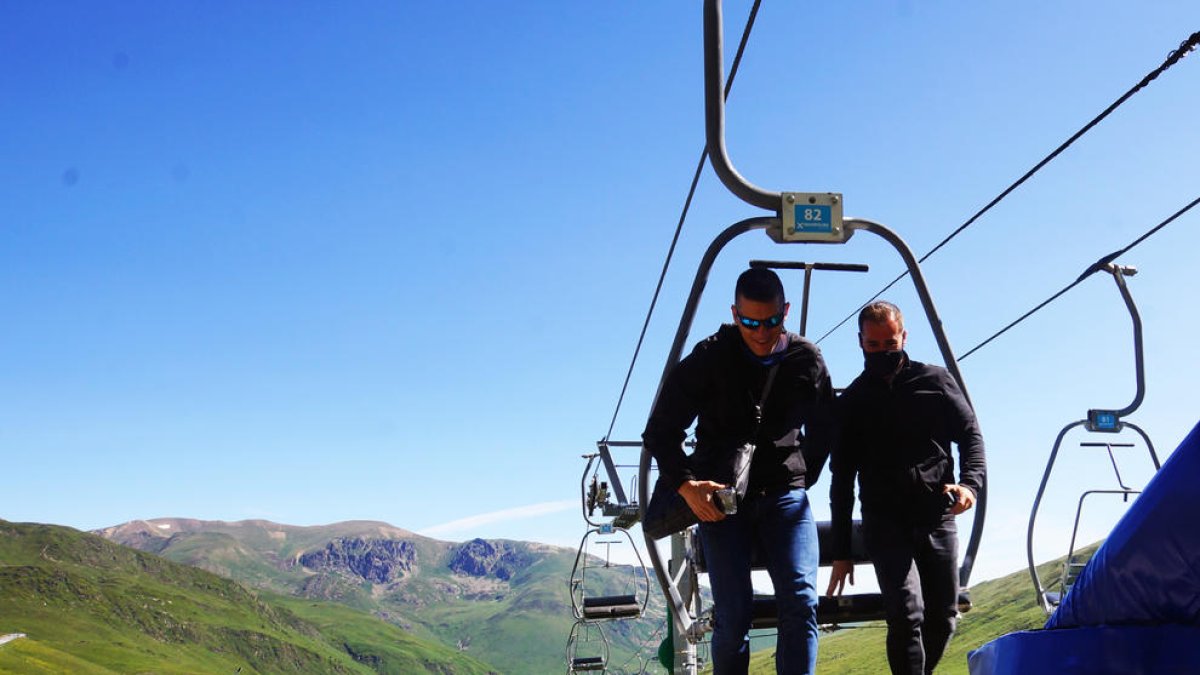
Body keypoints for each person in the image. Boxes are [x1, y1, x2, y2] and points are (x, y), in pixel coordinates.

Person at [643, 267, 834, 675]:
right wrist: (687, 485)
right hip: (723, 503)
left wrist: (801, 476)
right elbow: (660, 429)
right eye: (749, 323)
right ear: (734, 314)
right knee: (732, 617)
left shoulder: (806, 359)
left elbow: (826, 426)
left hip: (784, 497)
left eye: (770, 322)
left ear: (785, 312)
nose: (761, 333)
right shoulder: (711, 356)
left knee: (801, 602)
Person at [825, 300, 986, 675]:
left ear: (904, 336)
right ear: (861, 342)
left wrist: (969, 485)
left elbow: (971, 436)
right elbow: (841, 479)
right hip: (885, 521)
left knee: (944, 615)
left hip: (937, 515)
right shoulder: (852, 403)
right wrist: (842, 551)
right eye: (874, 345)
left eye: (890, 342)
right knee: (906, 611)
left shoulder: (936, 381)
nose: (883, 351)